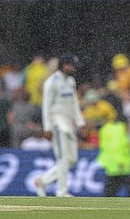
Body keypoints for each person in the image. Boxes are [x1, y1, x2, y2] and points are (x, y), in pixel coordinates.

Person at [34, 53, 86, 197]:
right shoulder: (52, 82)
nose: (74, 69)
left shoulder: (70, 82)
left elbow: (74, 103)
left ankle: (42, 181)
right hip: (57, 123)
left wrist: (81, 123)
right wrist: (48, 128)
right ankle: (61, 191)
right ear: (64, 65)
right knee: (63, 159)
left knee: (72, 160)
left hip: (69, 124)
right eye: (72, 66)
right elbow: (46, 106)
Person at [96, 116, 130, 197]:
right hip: (121, 165)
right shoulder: (120, 131)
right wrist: (121, 162)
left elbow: (104, 146)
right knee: (128, 189)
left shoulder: (106, 129)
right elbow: (118, 148)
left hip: (110, 164)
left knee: (110, 189)